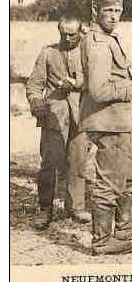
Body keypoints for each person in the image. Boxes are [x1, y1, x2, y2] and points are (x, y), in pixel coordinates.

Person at [80, 0, 132, 255]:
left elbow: (115, 76)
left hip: (119, 122)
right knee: (109, 181)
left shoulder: (110, 38)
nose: (113, 16)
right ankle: (101, 241)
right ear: (95, 11)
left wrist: (130, 77)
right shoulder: (98, 43)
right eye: (108, 10)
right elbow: (99, 91)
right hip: (107, 123)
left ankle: (123, 230)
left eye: (118, 11)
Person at [26, 16, 90, 229]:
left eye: (72, 34)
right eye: (63, 33)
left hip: (81, 116)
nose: (67, 38)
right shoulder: (48, 52)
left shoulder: (88, 52)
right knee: (50, 164)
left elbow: (98, 80)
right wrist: (37, 104)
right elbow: (34, 85)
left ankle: (76, 207)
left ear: (81, 32)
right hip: (54, 117)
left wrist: (79, 82)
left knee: (78, 162)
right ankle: (45, 208)